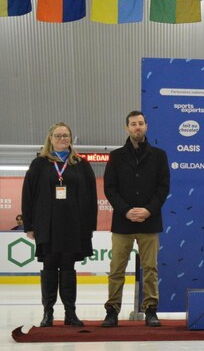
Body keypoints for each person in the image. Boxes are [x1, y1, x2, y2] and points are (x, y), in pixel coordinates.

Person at [21, 122, 97, 327]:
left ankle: (70, 313)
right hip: (48, 226)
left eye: (66, 136)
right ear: (50, 139)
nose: (62, 139)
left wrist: (89, 227)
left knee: (68, 269)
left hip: (74, 226)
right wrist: (29, 224)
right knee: (49, 267)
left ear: (71, 138)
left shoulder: (81, 164)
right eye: (58, 136)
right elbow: (28, 195)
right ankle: (48, 313)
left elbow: (91, 197)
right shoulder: (39, 164)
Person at [101, 111, 170, 328]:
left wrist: (149, 210)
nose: (137, 127)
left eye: (141, 123)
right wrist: (125, 210)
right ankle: (112, 310)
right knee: (116, 269)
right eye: (133, 124)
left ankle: (151, 309)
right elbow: (110, 188)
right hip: (123, 222)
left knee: (150, 268)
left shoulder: (159, 156)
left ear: (146, 126)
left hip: (150, 221)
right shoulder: (116, 156)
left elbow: (163, 187)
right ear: (127, 128)